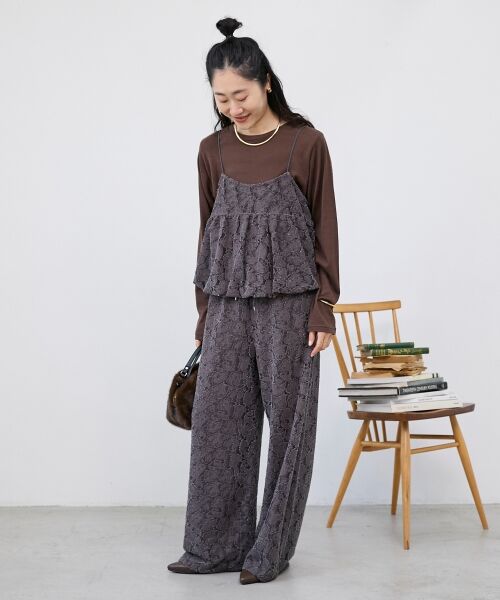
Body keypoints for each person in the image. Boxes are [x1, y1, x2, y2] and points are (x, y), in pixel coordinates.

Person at [168, 16, 340, 584]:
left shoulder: (306, 143)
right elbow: (208, 234)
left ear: (266, 82)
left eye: (240, 95)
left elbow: (325, 229)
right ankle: (213, 547)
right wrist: (204, 314)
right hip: (226, 304)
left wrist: (324, 307)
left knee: (289, 427)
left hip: (292, 304)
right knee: (218, 423)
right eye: (221, 99)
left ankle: (270, 550)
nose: (232, 108)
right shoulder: (211, 150)